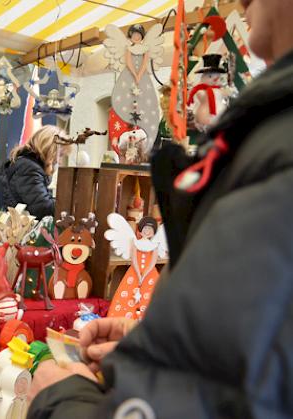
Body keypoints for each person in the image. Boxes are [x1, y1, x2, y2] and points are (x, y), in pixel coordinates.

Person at [27, 0, 293, 417]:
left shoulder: (276, 150)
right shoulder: (266, 139)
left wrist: (60, 399)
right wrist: (151, 341)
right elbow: (253, 356)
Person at [0, 125, 64, 219]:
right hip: (24, 231)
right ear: (50, 150)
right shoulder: (29, 168)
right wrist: (68, 202)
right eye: (60, 155)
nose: (59, 161)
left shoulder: (27, 164)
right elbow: (43, 208)